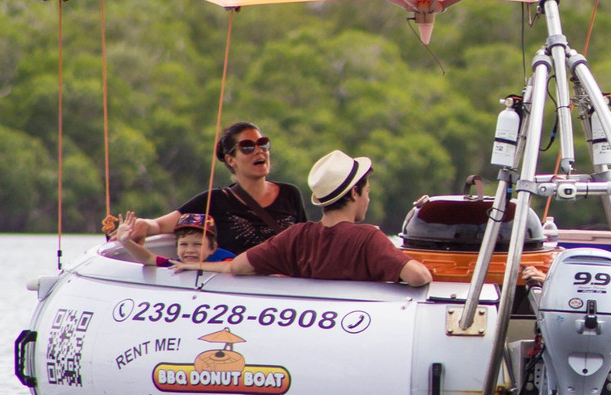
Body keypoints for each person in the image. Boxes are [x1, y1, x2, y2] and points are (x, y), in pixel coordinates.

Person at [173, 149, 433, 287]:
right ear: (354, 192)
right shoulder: (369, 239)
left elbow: (237, 267)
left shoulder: (295, 236)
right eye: (367, 192)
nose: (368, 198)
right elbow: (418, 277)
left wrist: (195, 265)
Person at [133, 122, 308, 254]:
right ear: (231, 159)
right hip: (237, 289)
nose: (259, 151)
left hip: (287, 287)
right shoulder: (215, 201)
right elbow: (159, 225)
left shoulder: (289, 194)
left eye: (263, 144)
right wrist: (141, 225)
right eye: (247, 147)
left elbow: (306, 243)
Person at [115, 211, 234, 267]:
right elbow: (147, 258)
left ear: (213, 248)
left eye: (197, 244)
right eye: (183, 244)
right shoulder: (176, 264)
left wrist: (192, 267)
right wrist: (126, 242)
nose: (190, 250)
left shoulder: (224, 259)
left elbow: (232, 268)